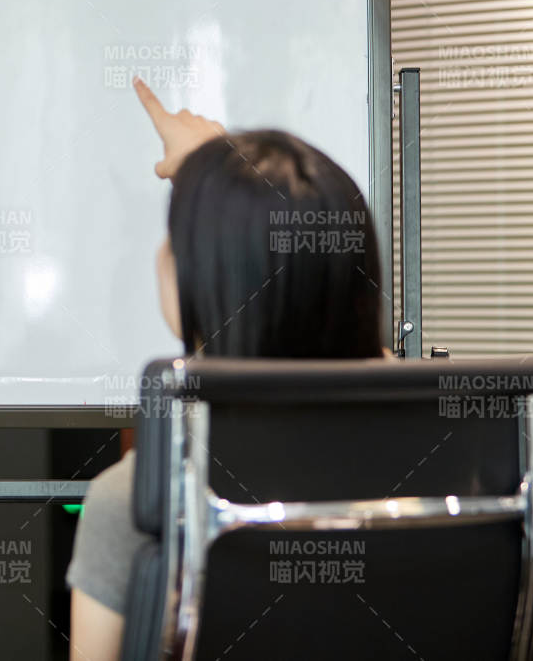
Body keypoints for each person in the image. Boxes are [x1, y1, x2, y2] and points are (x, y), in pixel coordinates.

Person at [66, 78, 387, 660]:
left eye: (174, 241)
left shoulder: (143, 498)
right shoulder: (439, 459)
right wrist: (221, 182)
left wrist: (217, 187)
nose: (160, 254)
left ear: (202, 282)